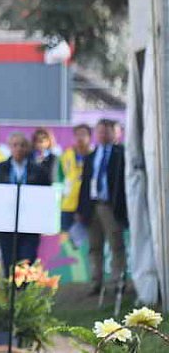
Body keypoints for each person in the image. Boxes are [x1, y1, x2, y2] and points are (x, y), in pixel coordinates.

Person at [0, 132, 50, 277]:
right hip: (6, 224)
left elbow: (46, 196)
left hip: (30, 224)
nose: (19, 148)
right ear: (10, 147)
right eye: (15, 145)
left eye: (22, 145)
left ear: (28, 148)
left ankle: (25, 294)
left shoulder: (39, 171)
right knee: (9, 261)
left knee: (27, 259)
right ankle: (10, 292)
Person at [78, 119, 128, 296]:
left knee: (116, 244)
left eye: (107, 131)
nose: (103, 134)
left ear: (116, 133)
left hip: (111, 206)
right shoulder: (91, 155)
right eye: (99, 131)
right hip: (93, 205)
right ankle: (96, 282)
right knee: (94, 246)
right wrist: (81, 209)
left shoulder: (122, 154)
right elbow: (84, 184)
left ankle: (117, 281)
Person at [59, 124, 92, 232]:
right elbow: (59, 178)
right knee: (66, 241)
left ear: (89, 137)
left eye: (83, 134)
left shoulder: (94, 156)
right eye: (77, 135)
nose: (80, 138)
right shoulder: (65, 155)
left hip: (87, 206)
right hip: (68, 205)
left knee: (87, 242)